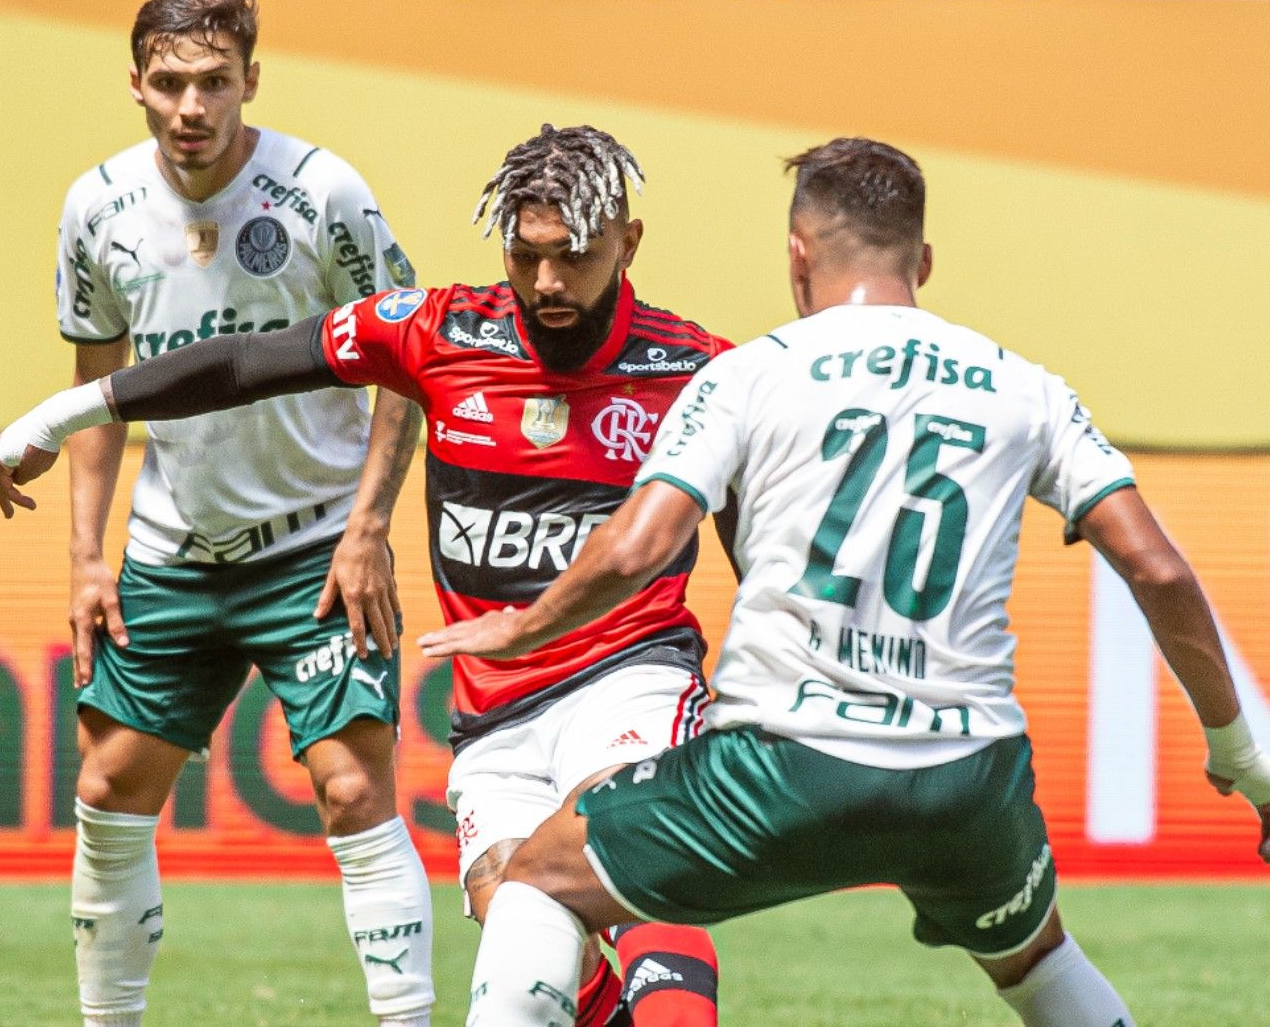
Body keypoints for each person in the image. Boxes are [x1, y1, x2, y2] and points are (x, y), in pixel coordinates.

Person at [419, 137, 1270, 1027]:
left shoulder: (744, 375)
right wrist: (1245, 761)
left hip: (784, 766)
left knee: (536, 879)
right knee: (1038, 964)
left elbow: (638, 548)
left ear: (797, 255)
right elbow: (1158, 568)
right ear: (925, 261)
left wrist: (520, 628)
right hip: (966, 773)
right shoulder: (1027, 388)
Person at [0, 123, 730, 1027]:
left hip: (631, 678)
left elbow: (765, 535)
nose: (546, 283)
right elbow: (242, 363)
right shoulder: (440, 330)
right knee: (518, 949)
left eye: (572, 256)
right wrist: (64, 413)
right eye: (525, 254)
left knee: (629, 864)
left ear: (628, 241)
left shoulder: (699, 371)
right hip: (496, 713)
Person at [18, 0, 434, 1027]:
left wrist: (372, 528)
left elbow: (404, 358)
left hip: (316, 546)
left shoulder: (324, 193)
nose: (190, 108)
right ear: (135, 83)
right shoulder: (95, 208)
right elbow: (96, 393)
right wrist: (85, 557)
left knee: (352, 791)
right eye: (168, 84)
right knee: (108, 794)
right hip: (174, 549)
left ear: (251, 78)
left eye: (213, 82)